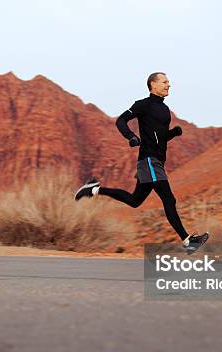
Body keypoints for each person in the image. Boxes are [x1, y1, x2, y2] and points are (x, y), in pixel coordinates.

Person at [74, 72, 209, 252]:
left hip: (156, 162)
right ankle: (188, 241)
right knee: (169, 199)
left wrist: (172, 134)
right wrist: (131, 136)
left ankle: (94, 189)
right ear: (153, 85)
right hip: (149, 161)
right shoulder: (143, 105)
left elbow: (159, 138)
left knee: (135, 200)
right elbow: (121, 121)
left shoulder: (164, 110)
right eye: (164, 82)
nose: (169, 84)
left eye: (168, 82)